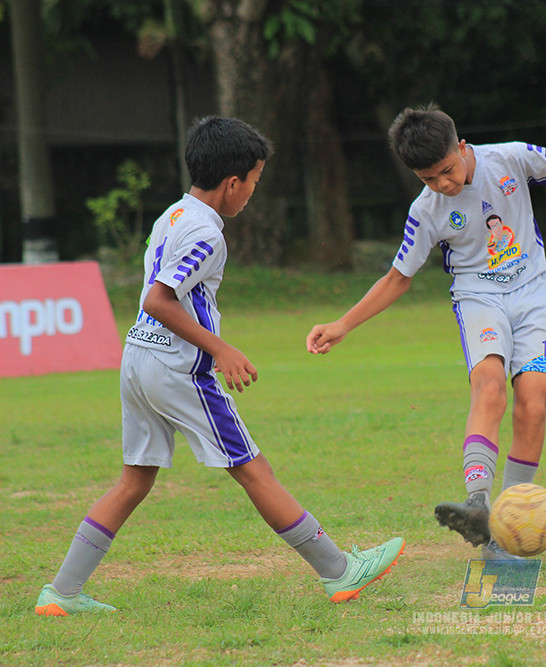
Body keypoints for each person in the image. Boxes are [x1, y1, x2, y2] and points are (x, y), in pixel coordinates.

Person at [35, 117, 404, 616]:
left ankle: (62, 592)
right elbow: (159, 299)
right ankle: (338, 571)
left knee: (133, 481)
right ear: (233, 182)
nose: (253, 191)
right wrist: (222, 350)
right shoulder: (207, 233)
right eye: (254, 180)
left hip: (138, 358)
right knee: (254, 470)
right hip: (177, 368)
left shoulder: (172, 214)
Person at [306, 104, 546, 559]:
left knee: (533, 403)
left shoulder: (511, 159)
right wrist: (343, 324)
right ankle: (477, 504)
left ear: (463, 147)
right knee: (489, 387)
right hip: (479, 300)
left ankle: (507, 523)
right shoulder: (427, 209)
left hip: (537, 294)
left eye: (447, 171)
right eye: (428, 178)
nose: (442, 184)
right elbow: (398, 277)